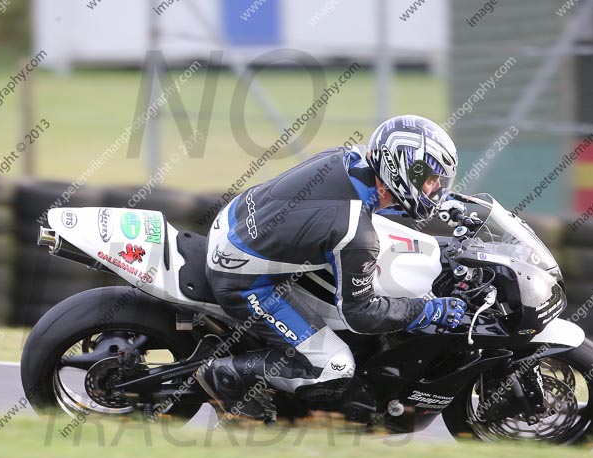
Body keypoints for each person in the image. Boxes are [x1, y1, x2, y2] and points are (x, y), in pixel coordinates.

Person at [195, 114, 467, 421]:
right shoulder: (355, 233)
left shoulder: (349, 159)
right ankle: (226, 375)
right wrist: (425, 311)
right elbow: (360, 314)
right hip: (243, 279)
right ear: (401, 167)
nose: (434, 189)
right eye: (430, 180)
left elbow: (374, 208)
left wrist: (440, 206)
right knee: (335, 365)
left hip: (233, 220)